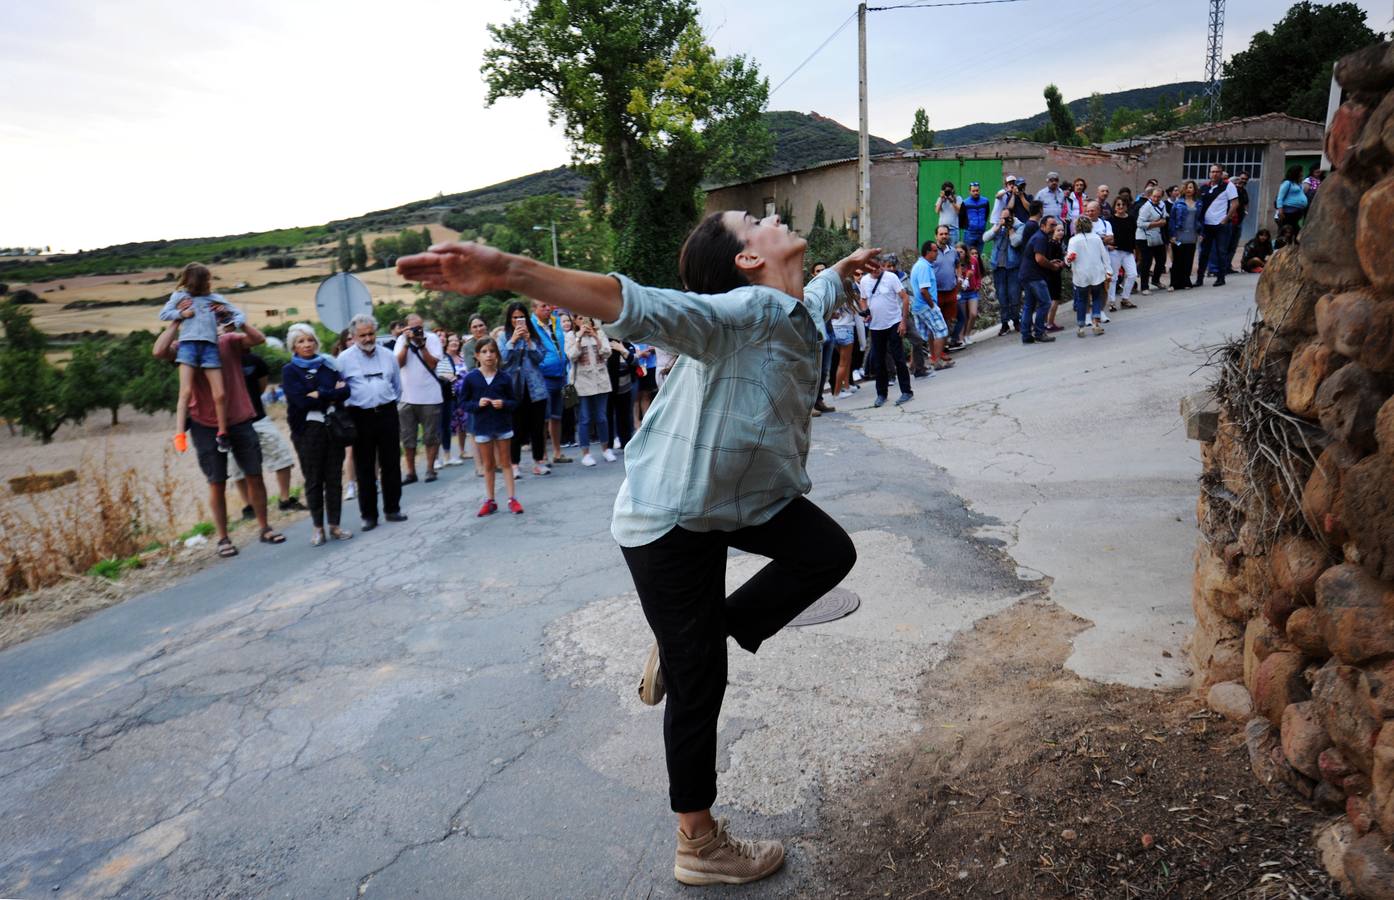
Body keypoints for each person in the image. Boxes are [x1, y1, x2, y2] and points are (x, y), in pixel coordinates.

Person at [397, 211, 866, 888]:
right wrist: (511, 271)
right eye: (751, 220)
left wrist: (844, 268)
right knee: (703, 682)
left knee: (825, 553)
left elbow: (813, 300)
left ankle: (698, 638)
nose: (770, 215)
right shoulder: (737, 313)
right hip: (671, 513)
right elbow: (636, 305)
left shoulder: (790, 305)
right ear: (745, 262)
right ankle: (698, 843)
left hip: (733, 497)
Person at [152, 305, 283, 557]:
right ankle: (223, 538)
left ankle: (264, 527)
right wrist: (176, 321)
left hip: (240, 418)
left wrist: (237, 319)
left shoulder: (228, 341)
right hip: (203, 423)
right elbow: (158, 351)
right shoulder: (186, 347)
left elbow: (258, 339)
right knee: (217, 482)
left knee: (254, 474)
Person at [159, 263, 246, 455]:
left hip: (209, 347)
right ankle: (179, 434)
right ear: (188, 282)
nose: (198, 287)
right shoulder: (180, 297)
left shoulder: (215, 299)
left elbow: (239, 315)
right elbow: (164, 314)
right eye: (195, 284)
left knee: (220, 393)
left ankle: (222, 433)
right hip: (188, 346)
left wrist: (229, 321)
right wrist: (181, 313)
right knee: (186, 391)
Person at [280, 323, 352, 546]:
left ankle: (335, 525)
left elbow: (345, 391)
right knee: (313, 479)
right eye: (301, 341)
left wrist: (320, 393)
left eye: (310, 340)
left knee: (333, 477)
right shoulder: (290, 371)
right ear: (293, 346)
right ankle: (318, 527)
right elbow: (300, 401)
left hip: (333, 427)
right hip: (308, 431)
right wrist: (330, 394)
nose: (307, 344)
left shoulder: (329, 365)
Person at [338, 313, 407, 531]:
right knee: (365, 466)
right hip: (360, 415)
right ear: (353, 336)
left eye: (371, 334)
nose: (368, 339)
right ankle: (368, 515)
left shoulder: (388, 356)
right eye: (362, 335)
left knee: (391, 462)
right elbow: (340, 389)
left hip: (386, 413)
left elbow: (397, 385)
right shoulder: (344, 360)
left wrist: (386, 402)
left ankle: (392, 508)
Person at [229, 341, 303, 519]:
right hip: (232, 422)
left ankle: (284, 499)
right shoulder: (216, 362)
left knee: (282, 454)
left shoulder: (254, 361)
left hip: (258, 417)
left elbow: (261, 386)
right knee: (236, 467)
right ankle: (249, 506)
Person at [460, 337, 522, 516]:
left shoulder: (504, 377)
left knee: (506, 463)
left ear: (497, 355)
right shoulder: (471, 378)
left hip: (502, 425)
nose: (489, 355)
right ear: (477, 355)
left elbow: (513, 401)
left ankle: (512, 498)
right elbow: (463, 402)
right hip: (482, 426)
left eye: (492, 351)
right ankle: (490, 499)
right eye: (484, 352)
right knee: (488, 465)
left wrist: (503, 403)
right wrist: (477, 404)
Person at [501, 301, 552, 477]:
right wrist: (513, 340)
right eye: (515, 317)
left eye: (521, 317)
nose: (518, 320)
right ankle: (514, 464)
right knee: (515, 428)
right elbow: (502, 360)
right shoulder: (504, 335)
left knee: (537, 428)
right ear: (510, 319)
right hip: (514, 389)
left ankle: (539, 462)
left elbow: (540, 358)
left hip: (535, 388)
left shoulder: (535, 334)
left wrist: (529, 341)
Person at [392, 313, 445, 484]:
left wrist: (421, 344)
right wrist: (407, 343)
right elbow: (398, 364)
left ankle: (430, 469)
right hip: (406, 396)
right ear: (406, 327)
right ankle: (411, 472)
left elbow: (432, 363)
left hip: (430, 395)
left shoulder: (432, 338)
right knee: (408, 437)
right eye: (413, 327)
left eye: (419, 327)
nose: (417, 330)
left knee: (431, 436)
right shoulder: (401, 340)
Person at [858, 256, 914, 407]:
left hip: (894, 323)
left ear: (882, 266)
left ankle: (906, 391)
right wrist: (866, 311)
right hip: (876, 326)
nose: (876, 270)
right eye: (872, 268)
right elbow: (863, 299)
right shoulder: (864, 281)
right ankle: (881, 394)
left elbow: (905, 298)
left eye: (878, 267)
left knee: (899, 359)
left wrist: (903, 322)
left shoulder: (890, 278)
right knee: (879, 361)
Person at [566, 315, 616, 466]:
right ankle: (585, 453)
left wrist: (595, 336)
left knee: (602, 417)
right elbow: (572, 356)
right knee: (585, 418)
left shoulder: (599, 332)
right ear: (575, 321)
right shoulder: (571, 335)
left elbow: (607, 352)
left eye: (586, 317)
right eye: (580, 318)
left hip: (601, 381)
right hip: (582, 383)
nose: (584, 321)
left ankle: (606, 449)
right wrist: (579, 338)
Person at [529, 299, 572, 464]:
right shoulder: (531, 325)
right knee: (542, 417)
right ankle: (542, 454)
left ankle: (557, 452)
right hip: (543, 377)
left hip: (561, 375)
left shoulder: (556, 321)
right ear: (534, 309)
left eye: (548, 305)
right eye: (543, 306)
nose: (548, 308)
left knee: (557, 415)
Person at [909, 241, 951, 372]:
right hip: (925, 305)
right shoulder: (924, 267)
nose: (937, 253)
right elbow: (924, 290)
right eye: (935, 251)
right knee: (941, 330)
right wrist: (933, 306)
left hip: (918, 306)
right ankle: (936, 362)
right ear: (928, 252)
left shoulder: (920, 265)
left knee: (922, 335)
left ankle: (913, 364)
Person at [1019, 215, 1062, 344]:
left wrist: (1050, 262)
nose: (1054, 228)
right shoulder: (1040, 238)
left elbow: (1039, 257)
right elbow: (1039, 259)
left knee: (1029, 305)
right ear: (1043, 225)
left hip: (1027, 275)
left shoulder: (1040, 237)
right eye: (1051, 225)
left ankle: (1026, 335)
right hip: (1034, 276)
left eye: (1055, 225)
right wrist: (1052, 266)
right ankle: (1039, 332)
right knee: (1045, 303)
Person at [1067, 216, 1112, 337]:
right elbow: (1104, 256)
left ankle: (1081, 327)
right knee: (1097, 297)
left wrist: (1068, 260)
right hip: (1097, 272)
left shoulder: (1073, 240)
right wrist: (1109, 270)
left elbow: (1069, 259)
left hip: (1081, 274)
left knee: (1082, 300)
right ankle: (1096, 324)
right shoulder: (1097, 238)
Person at [1196, 165, 1238, 287]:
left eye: (1217, 172)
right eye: (1212, 172)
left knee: (1221, 252)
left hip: (1221, 224)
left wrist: (1226, 219)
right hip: (1206, 226)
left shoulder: (1228, 186)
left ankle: (1221, 278)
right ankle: (1199, 279)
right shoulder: (1204, 187)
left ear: (1221, 173)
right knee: (1204, 253)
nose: (1214, 174)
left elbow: (1235, 204)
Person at [984, 208, 1024, 335]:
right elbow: (985, 238)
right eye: (1002, 217)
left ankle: (1016, 321)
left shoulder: (1020, 226)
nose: (1004, 220)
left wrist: (1010, 228)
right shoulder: (998, 226)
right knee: (1002, 296)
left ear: (1012, 217)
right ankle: (1005, 323)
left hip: (1013, 267)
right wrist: (997, 227)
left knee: (1014, 295)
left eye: (1006, 218)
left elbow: (1016, 242)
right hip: (998, 267)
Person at [810, 262, 841, 410]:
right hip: (817, 336)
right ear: (813, 275)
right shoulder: (810, 292)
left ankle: (819, 400)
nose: (821, 272)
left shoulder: (831, 291)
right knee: (814, 371)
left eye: (824, 270)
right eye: (818, 271)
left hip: (830, 333)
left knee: (824, 370)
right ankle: (810, 406)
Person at [606, 335, 638, 450]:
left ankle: (626, 442)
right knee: (608, 415)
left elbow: (635, 361)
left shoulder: (626, 344)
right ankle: (608, 444)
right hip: (608, 387)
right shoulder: (605, 343)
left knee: (624, 415)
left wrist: (622, 350)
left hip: (625, 385)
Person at [931, 226, 961, 348]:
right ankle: (936, 349)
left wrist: (959, 278)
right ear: (936, 236)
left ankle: (943, 346)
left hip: (951, 291)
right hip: (936, 292)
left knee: (949, 320)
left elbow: (958, 265)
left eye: (946, 234)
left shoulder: (953, 251)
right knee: (938, 321)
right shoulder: (932, 252)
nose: (944, 236)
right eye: (941, 234)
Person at [829, 280, 861, 396]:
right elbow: (858, 317)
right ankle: (837, 392)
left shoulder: (834, 299)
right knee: (844, 363)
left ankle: (847, 386)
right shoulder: (851, 300)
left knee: (844, 362)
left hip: (834, 329)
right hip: (846, 330)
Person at [1136, 187, 1169, 293]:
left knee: (1161, 259)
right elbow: (1140, 224)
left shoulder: (1162, 205)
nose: (1156, 198)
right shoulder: (1145, 207)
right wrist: (1157, 224)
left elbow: (1165, 216)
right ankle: (1144, 286)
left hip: (1157, 236)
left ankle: (1155, 280)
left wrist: (1164, 220)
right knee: (1147, 261)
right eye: (1154, 196)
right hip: (1144, 237)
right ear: (1150, 196)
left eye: (1158, 197)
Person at [1109, 198, 1139, 310]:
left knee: (1132, 274)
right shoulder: (1110, 220)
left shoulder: (1131, 219)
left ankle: (1125, 299)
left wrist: (1135, 250)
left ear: (1127, 206)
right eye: (1118, 204)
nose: (1121, 206)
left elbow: (1133, 236)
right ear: (1115, 206)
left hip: (1128, 251)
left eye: (1123, 204)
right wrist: (1108, 246)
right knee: (1113, 277)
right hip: (1115, 251)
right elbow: (1107, 235)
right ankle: (1111, 301)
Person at [1224, 172, 1251, 274]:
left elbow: (1246, 203)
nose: (1242, 181)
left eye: (1245, 179)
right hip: (1230, 221)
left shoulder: (1244, 191)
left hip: (1239, 221)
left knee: (1233, 245)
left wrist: (1246, 211)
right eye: (1241, 179)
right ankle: (1222, 266)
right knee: (1227, 244)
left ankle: (1228, 266)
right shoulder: (1231, 191)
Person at [958, 243, 983, 344]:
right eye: (957, 252)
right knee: (963, 316)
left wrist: (978, 285)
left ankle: (967, 335)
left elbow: (978, 274)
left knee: (973, 314)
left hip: (972, 291)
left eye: (961, 252)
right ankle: (961, 338)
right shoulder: (956, 263)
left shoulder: (973, 260)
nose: (959, 254)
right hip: (962, 293)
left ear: (965, 252)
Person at [1276, 165, 1309, 236]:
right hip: (1287, 213)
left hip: (1296, 213)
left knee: (1294, 231)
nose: (1302, 174)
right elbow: (1280, 197)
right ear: (1296, 173)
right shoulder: (1287, 183)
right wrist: (1280, 210)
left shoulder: (1298, 184)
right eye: (1300, 172)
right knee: (1287, 231)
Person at [961, 181, 991, 251]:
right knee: (968, 254)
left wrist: (982, 224)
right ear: (969, 191)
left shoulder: (985, 201)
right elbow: (962, 217)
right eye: (973, 191)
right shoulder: (965, 203)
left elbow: (986, 214)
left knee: (979, 254)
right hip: (970, 233)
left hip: (981, 232)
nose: (975, 193)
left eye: (977, 190)